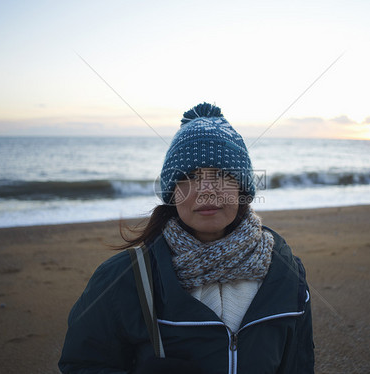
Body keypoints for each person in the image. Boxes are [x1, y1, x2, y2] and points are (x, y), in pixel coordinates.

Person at [58, 103, 315, 373]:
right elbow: (82, 364)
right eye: (190, 177)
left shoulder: (286, 272)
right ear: (172, 192)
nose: (206, 190)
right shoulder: (124, 278)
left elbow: (299, 364)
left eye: (221, 174)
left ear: (242, 189)